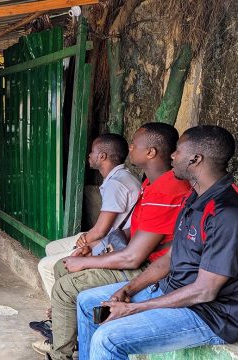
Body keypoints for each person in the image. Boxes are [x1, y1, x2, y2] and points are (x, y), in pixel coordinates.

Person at [76, 125, 238, 360]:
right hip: (172, 289)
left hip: (208, 313)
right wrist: (128, 290)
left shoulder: (226, 213)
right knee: (87, 301)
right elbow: (173, 256)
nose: (172, 155)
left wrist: (133, 308)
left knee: (108, 337)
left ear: (195, 159)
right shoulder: (195, 197)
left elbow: (205, 290)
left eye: (178, 152)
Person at [36, 123, 191, 359]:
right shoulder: (151, 183)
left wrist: (87, 262)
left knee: (65, 288)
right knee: (62, 266)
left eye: (134, 144)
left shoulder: (166, 190)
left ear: (150, 152)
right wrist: (94, 250)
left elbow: (133, 257)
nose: (130, 147)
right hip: (140, 257)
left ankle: (61, 353)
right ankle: (71, 335)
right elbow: (132, 231)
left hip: (151, 268)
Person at [32, 133, 140, 338]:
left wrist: (87, 243)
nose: (89, 155)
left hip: (114, 242)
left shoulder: (117, 183)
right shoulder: (119, 177)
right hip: (112, 237)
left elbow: (101, 230)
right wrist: (87, 239)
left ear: (103, 156)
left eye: (92, 152)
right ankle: (60, 310)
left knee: (46, 264)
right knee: (52, 248)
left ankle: (62, 321)